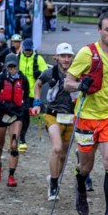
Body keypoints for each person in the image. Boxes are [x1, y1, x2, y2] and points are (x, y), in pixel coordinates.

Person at [63, 13, 108, 215]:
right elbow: (67, 83)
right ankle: (80, 185)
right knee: (86, 166)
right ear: (99, 30)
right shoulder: (86, 53)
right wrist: (80, 85)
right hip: (87, 118)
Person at [0, 53, 30, 188]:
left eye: (14, 66)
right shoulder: (0, 78)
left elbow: (27, 96)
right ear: (5, 66)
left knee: (14, 144)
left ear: (17, 65)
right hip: (1, 115)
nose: (12, 69)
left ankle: (11, 175)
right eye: (9, 66)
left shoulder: (23, 79)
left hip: (16, 115)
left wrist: (24, 108)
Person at [39, 42, 76, 200]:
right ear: (56, 57)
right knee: (57, 148)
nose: (66, 59)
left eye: (68, 56)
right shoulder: (50, 72)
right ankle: (54, 185)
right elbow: (38, 83)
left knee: (63, 155)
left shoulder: (76, 73)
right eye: (63, 56)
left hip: (70, 117)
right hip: (52, 115)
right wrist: (36, 101)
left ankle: (53, 178)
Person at [18, 38, 48, 152]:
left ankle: (23, 136)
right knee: (23, 115)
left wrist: (39, 73)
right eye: (26, 50)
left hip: (33, 93)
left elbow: (46, 73)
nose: (28, 52)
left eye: (30, 50)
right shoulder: (17, 57)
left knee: (34, 114)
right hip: (20, 93)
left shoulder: (38, 59)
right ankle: (22, 139)